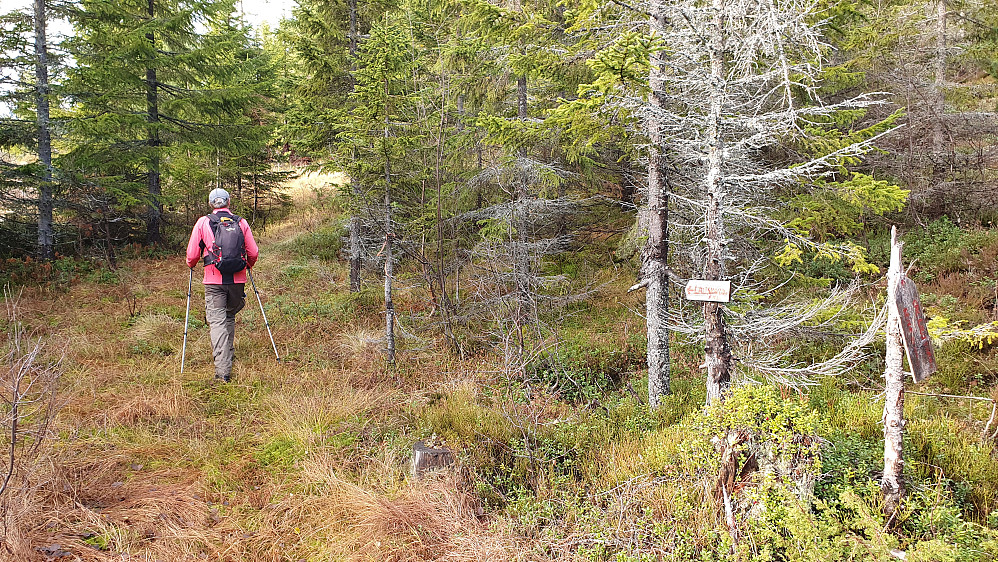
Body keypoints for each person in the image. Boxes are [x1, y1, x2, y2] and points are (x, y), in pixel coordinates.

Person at [186, 188, 259, 382]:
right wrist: (248, 266)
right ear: (228, 202)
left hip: (213, 280)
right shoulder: (241, 222)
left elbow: (192, 254)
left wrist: (191, 264)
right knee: (229, 315)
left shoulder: (203, 222)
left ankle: (222, 371)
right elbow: (253, 252)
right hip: (237, 280)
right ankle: (228, 354)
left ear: (211, 204)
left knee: (217, 321)